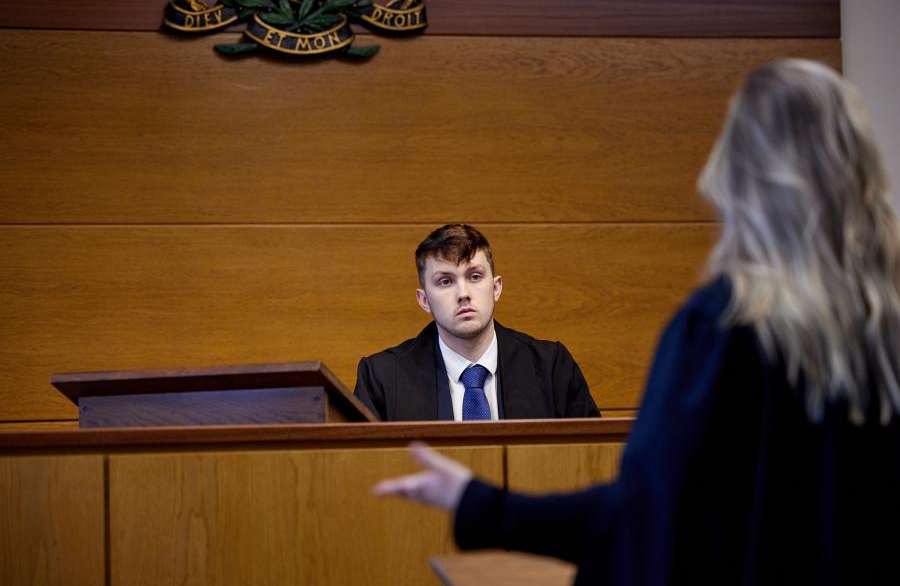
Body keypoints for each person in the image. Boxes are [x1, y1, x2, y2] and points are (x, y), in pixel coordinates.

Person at [372, 59, 900, 584]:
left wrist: (478, 504)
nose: (463, 292)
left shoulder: (720, 326)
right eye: (446, 281)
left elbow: (644, 514)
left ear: (734, 179)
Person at [354, 223, 600, 421]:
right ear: (424, 300)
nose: (463, 293)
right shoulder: (382, 378)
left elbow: (594, 457)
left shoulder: (551, 367)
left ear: (495, 288)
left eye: (474, 276)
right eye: (445, 281)